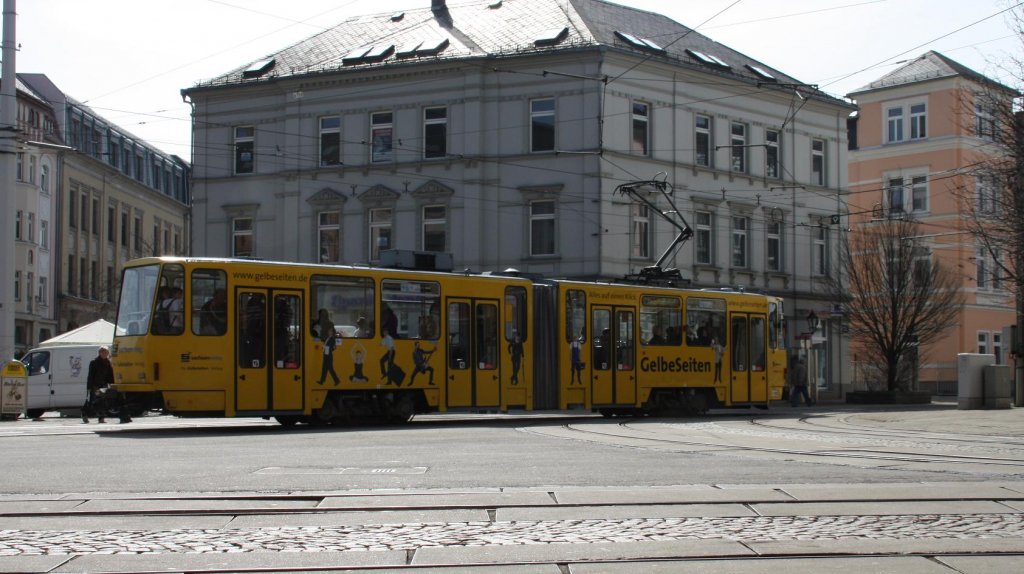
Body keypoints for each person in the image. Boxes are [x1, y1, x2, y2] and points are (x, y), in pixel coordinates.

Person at [83, 346, 114, 424]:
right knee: (92, 401)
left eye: (106, 353)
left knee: (103, 402)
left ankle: (101, 418)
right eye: (104, 353)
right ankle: (85, 414)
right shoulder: (94, 362)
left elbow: (110, 374)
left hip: (103, 385)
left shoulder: (108, 362)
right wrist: (89, 387)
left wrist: (111, 383)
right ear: (100, 353)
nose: (105, 354)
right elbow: (90, 376)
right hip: (95, 385)